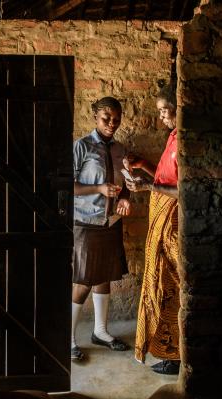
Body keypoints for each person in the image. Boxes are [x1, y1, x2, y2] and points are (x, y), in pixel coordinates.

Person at [124, 83, 181, 375]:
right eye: (159, 112)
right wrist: (142, 166)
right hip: (161, 216)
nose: (162, 117)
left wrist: (147, 186)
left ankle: (175, 354)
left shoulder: (185, 142)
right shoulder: (173, 137)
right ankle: (165, 350)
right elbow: (164, 177)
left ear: (178, 107)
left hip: (172, 223)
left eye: (165, 111)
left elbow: (183, 188)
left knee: (169, 285)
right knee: (157, 281)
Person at [71, 96, 132, 362]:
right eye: (106, 118)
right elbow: (67, 185)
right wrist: (98, 188)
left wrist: (125, 197)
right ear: (95, 116)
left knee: (104, 275)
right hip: (86, 221)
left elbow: (127, 181)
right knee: (84, 279)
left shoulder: (120, 149)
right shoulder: (81, 146)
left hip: (111, 222)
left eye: (116, 119)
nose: (111, 124)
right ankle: (68, 338)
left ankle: (100, 331)